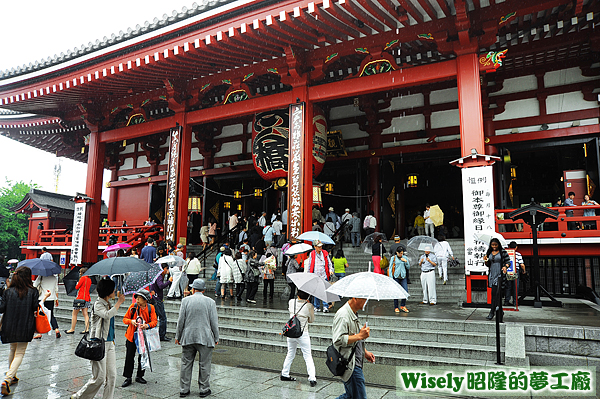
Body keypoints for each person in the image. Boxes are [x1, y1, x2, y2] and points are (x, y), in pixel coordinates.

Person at [71, 278, 126, 399]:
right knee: (99, 377)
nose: (115, 291)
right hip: (98, 344)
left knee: (112, 377)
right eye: (113, 289)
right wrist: (119, 302)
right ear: (108, 291)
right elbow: (107, 315)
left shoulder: (107, 303)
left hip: (110, 343)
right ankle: (79, 396)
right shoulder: (98, 304)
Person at [0, 266, 51, 396]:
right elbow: (36, 307)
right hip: (25, 325)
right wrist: (44, 297)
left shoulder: (8, 291)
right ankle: (7, 378)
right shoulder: (32, 291)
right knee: (20, 352)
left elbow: (1, 309)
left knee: (13, 349)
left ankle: (12, 375)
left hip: (9, 325)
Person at [176, 279, 219, 398]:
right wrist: (216, 336)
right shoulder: (210, 302)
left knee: (186, 363)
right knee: (205, 364)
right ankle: (204, 389)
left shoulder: (185, 301)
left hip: (188, 336)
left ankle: (184, 390)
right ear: (204, 290)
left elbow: (181, 321)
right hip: (205, 337)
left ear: (193, 289)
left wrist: (178, 336)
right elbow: (214, 322)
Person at [331, 296, 375, 399]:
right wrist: (360, 336)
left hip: (355, 361)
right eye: (364, 299)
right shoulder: (343, 315)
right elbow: (337, 340)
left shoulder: (352, 312)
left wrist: (365, 352)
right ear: (355, 298)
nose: (366, 302)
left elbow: (354, 337)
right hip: (350, 364)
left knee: (351, 396)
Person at [121, 289, 158, 388]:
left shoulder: (151, 308)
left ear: (145, 300)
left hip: (144, 337)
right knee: (129, 356)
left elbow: (155, 321)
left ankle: (140, 376)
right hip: (131, 336)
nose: (137, 300)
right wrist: (131, 321)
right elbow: (124, 319)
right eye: (136, 298)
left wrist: (147, 325)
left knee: (142, 356)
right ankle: (128, 377)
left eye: (139, 298)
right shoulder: (133, 307)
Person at [280, 290, 317, 386]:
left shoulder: (291, 302)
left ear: (297, 294)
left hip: (291, 332)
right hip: (302, 333)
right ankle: (312, 378)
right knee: (307, 356)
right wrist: (309, 307)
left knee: (290, 353)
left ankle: (284, 373)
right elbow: (311, 320)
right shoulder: (309, 306)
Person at [483, 238, 510, 321]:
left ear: (498, 245)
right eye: (492, 245)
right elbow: (488, 264)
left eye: (495, 245)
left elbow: (508, 262)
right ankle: (499, 312)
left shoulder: (503, 252)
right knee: (494, 294)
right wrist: (486, 261)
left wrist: (505, 267)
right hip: (492, 274)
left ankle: (492, 312)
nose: (494, 247)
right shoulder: (489, 252)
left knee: (496, 294)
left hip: (499, 274)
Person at [304, 240, 334, 312]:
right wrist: (308, 274)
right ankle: (316, 306)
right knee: (316, 292)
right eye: (318, 246)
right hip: (315, 275)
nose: (320, 247)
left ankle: (325, 306)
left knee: (324, 291)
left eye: (321, 246)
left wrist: (331, 270)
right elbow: (310, 264)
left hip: (323, 275)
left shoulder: (325, 253)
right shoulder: (312, 254)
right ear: (315, 247)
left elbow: (329, 263)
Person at [33, 272, 61, 339]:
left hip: (42, 298)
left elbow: (34, 285)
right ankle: (56, 329)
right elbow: (56, 289)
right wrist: (56, 299)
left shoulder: (41, 276)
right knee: (51, 315)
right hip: (51, 298)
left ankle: (39, 333)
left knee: (40, 315)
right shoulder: (54, 278)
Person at [149, 264, 172, 342]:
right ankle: (161, 335)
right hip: (158, 299)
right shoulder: (159, 276)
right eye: (166, 268)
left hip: (155, 298)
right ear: (163, 268)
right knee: (163, 318)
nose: (167, 270)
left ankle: (153, 333)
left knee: (155, 317)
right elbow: (161, 286)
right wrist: (169, 281)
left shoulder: (156, 275)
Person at [66, 267, 91, 334]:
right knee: (85, 314)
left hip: (80, 298)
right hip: (87, 298)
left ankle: (72, 329)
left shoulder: (82, 278)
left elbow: (77, 287)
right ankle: (87, 329)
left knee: (74, 313)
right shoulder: (89, 279)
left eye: (80, 272)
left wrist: (77, 283)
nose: (79, 273)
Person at [389, 246, 410, 313]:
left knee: (405, 291)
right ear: (396, 252)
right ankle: (396, 307)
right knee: (396, 292)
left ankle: (403, 305)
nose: (401, 254)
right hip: (396, 276)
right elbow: (390, 267)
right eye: (399, 253)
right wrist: (391, 278)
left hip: (403, 276)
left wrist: (406, 261)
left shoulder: (405, 258)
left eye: (402, 253)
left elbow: (408, 267)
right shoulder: (393, 258)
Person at [505, 241, 525, 306]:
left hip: (508, 271)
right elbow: (522, 265)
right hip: (515, 271)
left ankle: (506, 301)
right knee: (515, 287)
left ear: (509, 247)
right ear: (516, 247)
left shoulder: (506, 254)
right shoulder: (518, 254)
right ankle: (515, 302)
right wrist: (524, 271)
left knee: (508, 287)